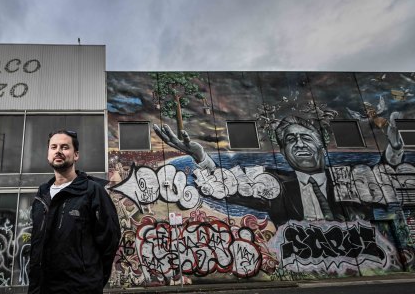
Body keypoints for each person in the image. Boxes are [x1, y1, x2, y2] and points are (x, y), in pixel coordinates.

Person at [154, 113, 404, 225]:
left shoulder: (349, 180)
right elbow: (226, 188)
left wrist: (394, 149)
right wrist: (200, 156)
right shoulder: (275, 185)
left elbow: (381, 181)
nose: (299, 144)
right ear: (283, 153)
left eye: (306, 138)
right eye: (291, 141)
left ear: (321, 144)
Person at [26, 129, 121, 294]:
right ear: (48, 154)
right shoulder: (41, 195)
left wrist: (90, 282)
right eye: (54, 147)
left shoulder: (92, 191)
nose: (59, 151)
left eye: (65, 147)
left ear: (75, 154)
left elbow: (109, 240)